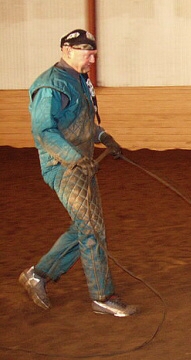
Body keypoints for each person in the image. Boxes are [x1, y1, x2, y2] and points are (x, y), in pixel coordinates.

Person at [19, 29, 136, 316]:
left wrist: (104, 137)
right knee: (92, 228)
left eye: (93, 53)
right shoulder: (50, 85)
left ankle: (38, 275)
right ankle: (102, 296)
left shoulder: (79, 80)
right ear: (66, 50)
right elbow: (44, 131)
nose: (92, 59)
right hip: (63, 166)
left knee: (87, 226)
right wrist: (74, 157)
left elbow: (80, 123)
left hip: (82, 164)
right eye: (87, 52)